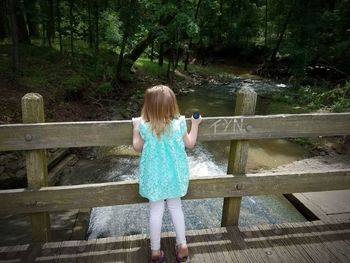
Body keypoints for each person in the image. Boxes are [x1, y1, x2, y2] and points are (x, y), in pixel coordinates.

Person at [132, 85, 202, 263]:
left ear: (148, 106)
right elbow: (191, 143)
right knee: (176, 208)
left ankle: (155, 252)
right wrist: (195, 124)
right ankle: (183, 246)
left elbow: (137, 147)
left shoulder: (144, 127)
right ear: (172, 105)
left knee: (156, 211)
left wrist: (135, 127)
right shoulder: (179, 124)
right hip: (174, 176)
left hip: (154, 177)